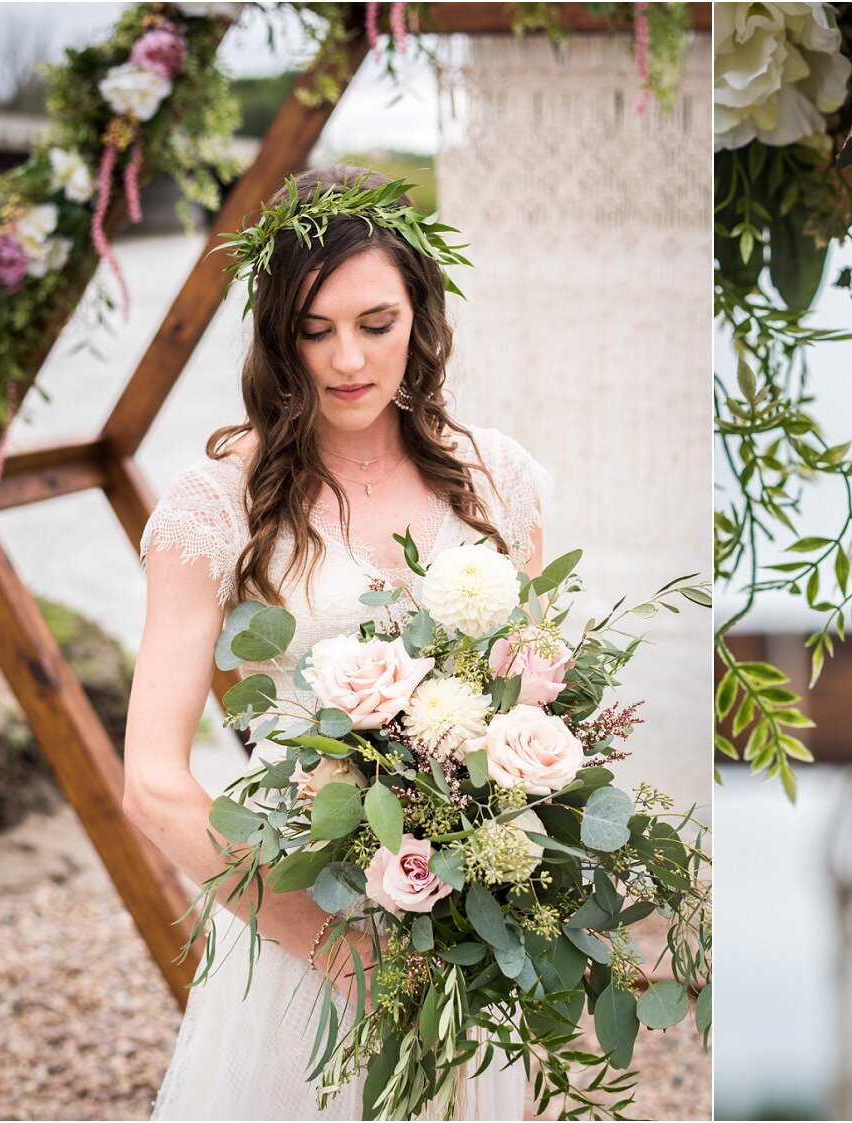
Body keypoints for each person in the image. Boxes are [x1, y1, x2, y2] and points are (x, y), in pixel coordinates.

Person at [124, 166, 546, 1120]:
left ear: (422, 318)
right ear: (277, 337)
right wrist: (322, 940)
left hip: (462, 923)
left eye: (376, 323)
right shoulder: (216, 505)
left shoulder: (499, 482)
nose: (348, 360)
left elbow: (533, 699)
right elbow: (150, 783)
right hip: (295, 921)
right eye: (314, 331)